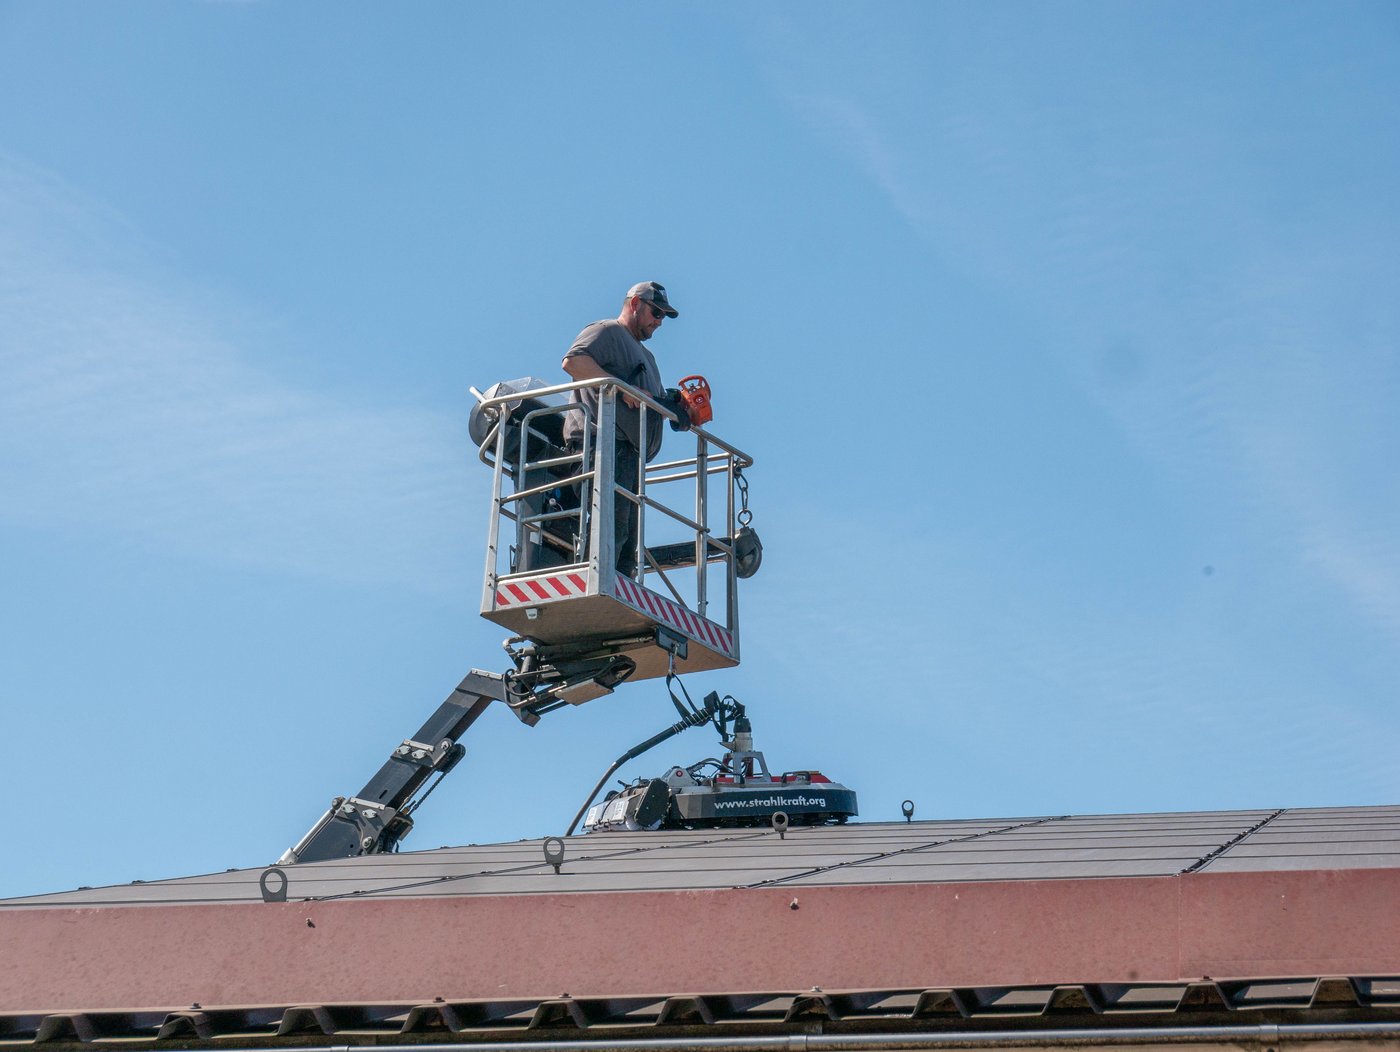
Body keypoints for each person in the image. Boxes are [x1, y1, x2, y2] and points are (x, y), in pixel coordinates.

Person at [561, 280, 682, 577]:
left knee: (627, 537)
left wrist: (676, 409)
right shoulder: (607, 331)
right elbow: (574, 362)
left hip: (630, 452)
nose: (659, 321)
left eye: (663, 316)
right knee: (610, 526)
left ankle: (618, 584)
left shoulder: (648, 358)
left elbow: (646, 399)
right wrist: (620, 388)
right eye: (656, 312)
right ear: (634, 304)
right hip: (602, 444)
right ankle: (592, 578)